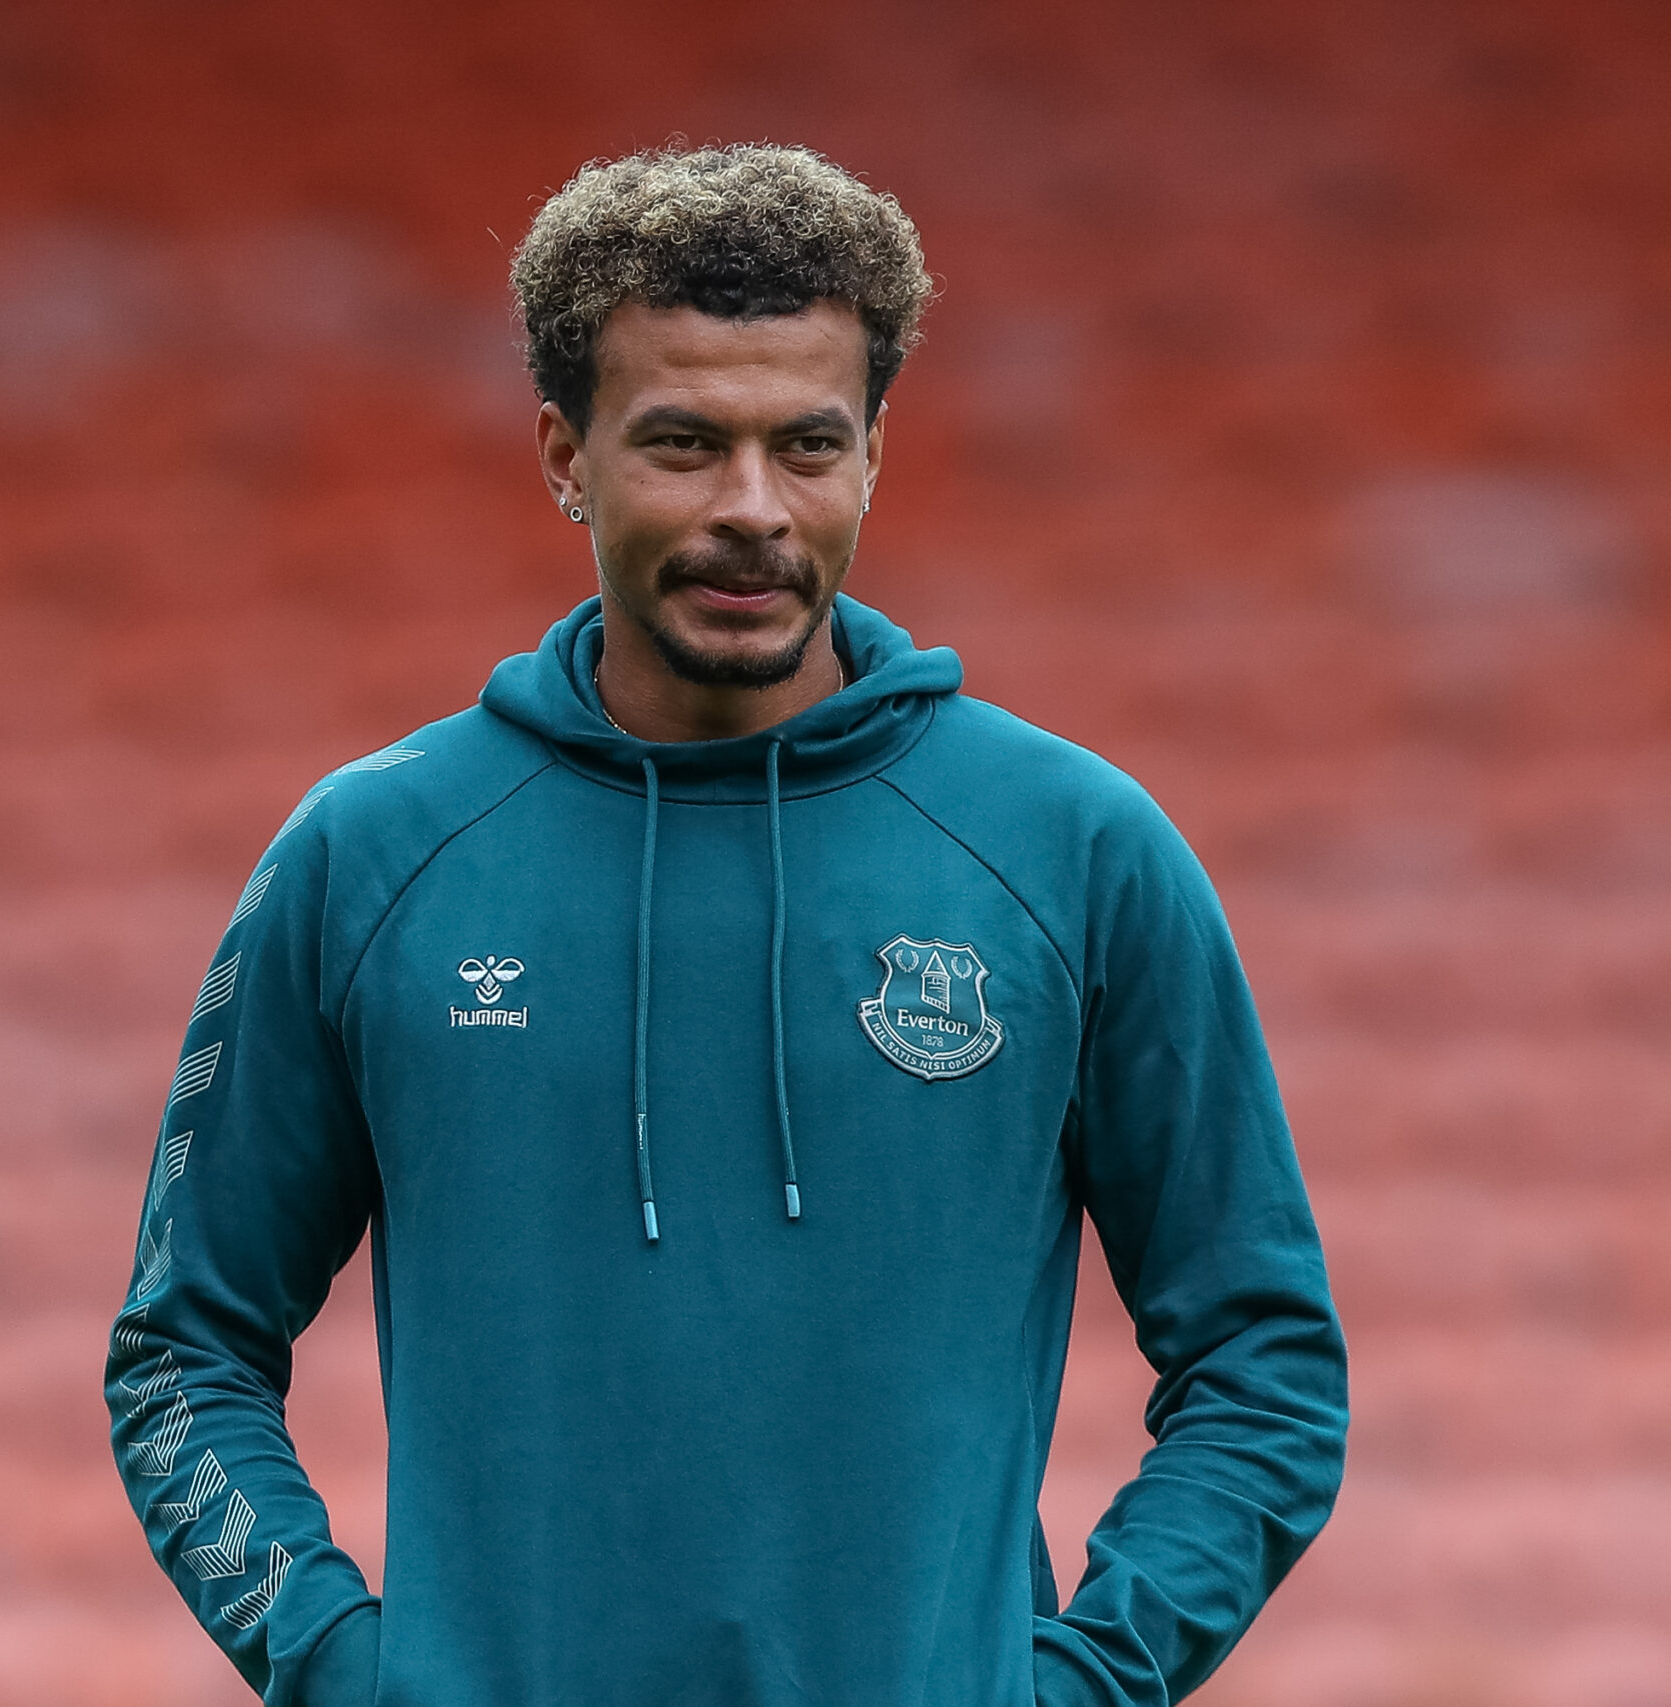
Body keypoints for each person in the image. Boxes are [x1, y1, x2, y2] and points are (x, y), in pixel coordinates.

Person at [107, 142, 1347, 1707]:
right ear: (565, 454)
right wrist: (352, 1672)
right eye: (683, 444)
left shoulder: (1077, 851)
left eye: (807, 445)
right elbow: (182, 1359)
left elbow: (1266, 1370)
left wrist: (1082, 1683)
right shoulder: (374, 854)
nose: (753, 509)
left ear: (878, 453)